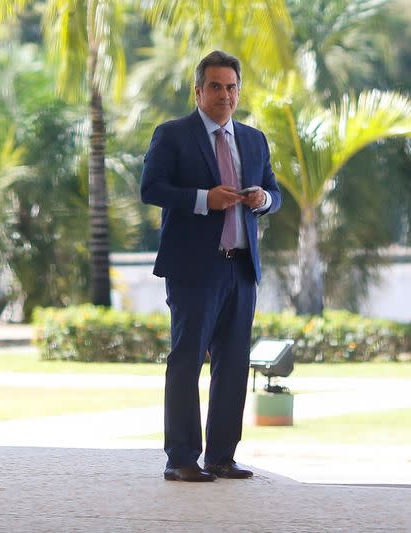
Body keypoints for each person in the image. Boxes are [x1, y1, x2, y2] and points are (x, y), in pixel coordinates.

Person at [140, 50, 282, 482]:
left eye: (232, 86)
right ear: (199, 91)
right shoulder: (173, 134)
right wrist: (205, 200)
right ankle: (181, 459)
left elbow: (275, 194)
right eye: (216, 86)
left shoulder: (254, 140)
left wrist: (263, 201)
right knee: (186, 361)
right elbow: (151, 188)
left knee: (234, 363)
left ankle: (222, 456)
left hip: (240, 269)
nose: (225, 94)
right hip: (193, 270)